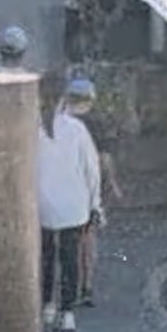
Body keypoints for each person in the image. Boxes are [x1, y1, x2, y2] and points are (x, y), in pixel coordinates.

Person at [37, 71, 101, 332]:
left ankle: (47, 305)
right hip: (73, 206)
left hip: (42, 205)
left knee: (46, 256)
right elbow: (91, 169)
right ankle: (67, 312)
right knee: (70, 258)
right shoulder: (76, 129)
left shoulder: (33, 128)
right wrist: (95, 203)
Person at [63, 77, 121, 307]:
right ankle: (86, 286)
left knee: (66, 242)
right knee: (88, 240)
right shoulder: (97, 124)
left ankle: (69, 287)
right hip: (88, 189)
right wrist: (113, 185)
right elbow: (105, 159)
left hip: (64, 186)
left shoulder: (58, 122)